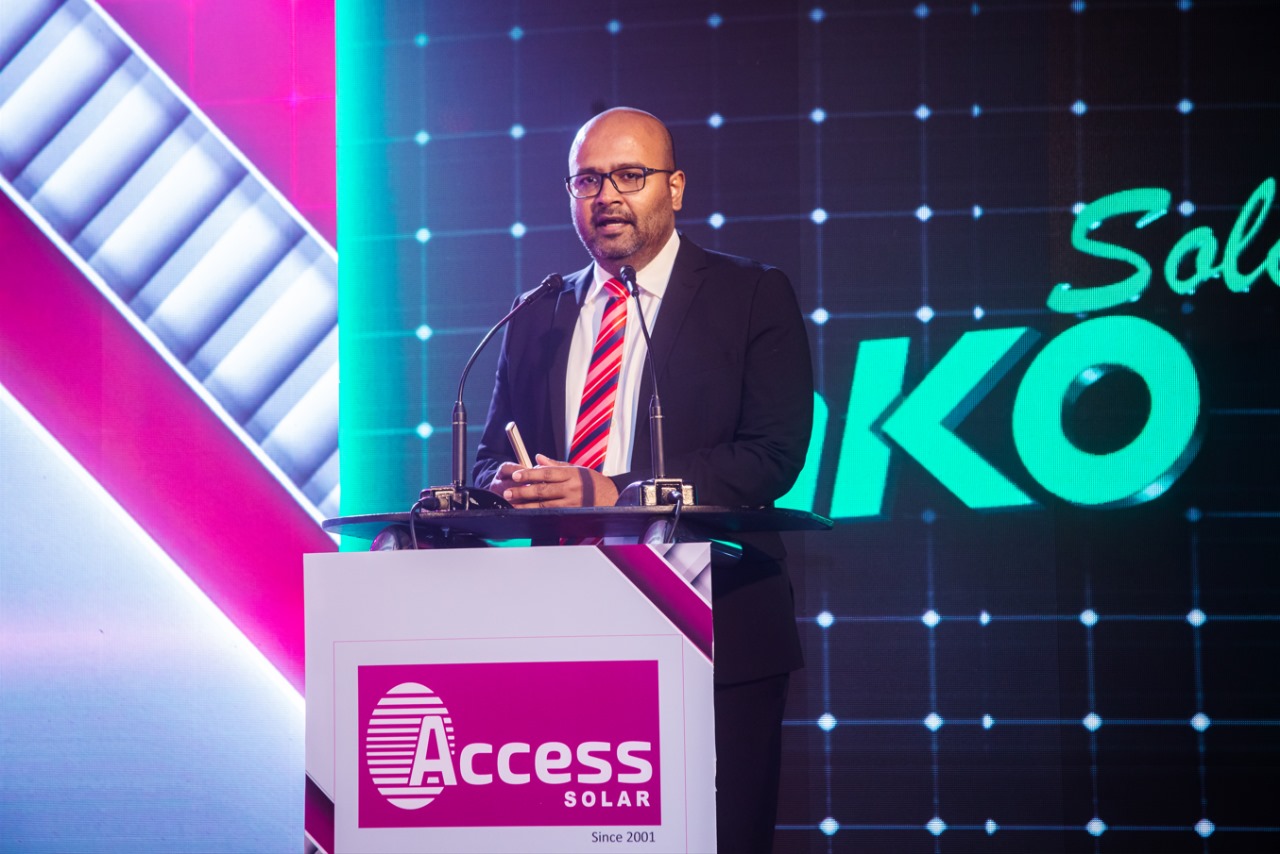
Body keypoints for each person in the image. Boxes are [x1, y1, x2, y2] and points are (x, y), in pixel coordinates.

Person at [473, 107, 813, 852]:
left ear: (675, 188)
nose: (608, 197)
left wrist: (614, 491)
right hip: (567, 631)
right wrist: (511, 483)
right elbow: (487, 458)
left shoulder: (751, 294)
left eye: (630, 176)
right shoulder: (536, 313)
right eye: (588, 180)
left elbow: (772, 455)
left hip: (718, 628)